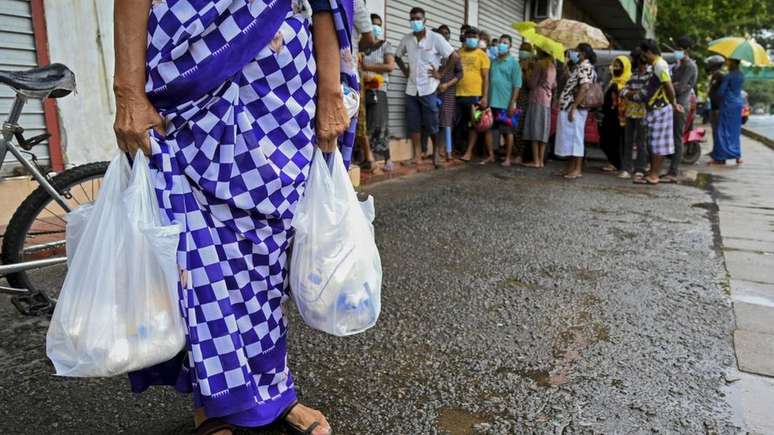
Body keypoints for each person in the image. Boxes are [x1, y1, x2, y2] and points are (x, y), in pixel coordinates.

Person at [113, 1, 355, 434]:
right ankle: (215, 404)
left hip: (283, 83)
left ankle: (274, 390)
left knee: (270, 248)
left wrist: (330, 90)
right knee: (195, 244)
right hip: (189, 67)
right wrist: (128, 90)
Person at [396, 7, 457, 165]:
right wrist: (404, 70)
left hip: (428, 88)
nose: (415, 22)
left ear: (424, 21)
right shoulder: (407, 39)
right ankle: (417, 155)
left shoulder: (435, 38)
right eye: (412, 19)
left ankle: (435, 152)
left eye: (418, 19)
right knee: (414, 123)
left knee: (432, 123)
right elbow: (397, 56)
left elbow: (454, 56)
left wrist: (441, 74)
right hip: (411, 89)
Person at [635, 39, 684, 185]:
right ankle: (652, 173)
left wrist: (674, 103)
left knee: (658, 143)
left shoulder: (660, 65)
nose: (643, 57)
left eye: (644, 53)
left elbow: (668, 86)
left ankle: (654, 175)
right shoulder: (657, 64)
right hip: (656, 108)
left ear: (649, 52)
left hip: (661, 109)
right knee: (654, 142)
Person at [554, 43, 597, 179]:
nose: (574, 53)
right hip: (569, 107)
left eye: (576, 51)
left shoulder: (585, 66)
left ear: (583, 53)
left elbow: (584, 88)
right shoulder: (579, 66)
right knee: (569, 139)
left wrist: (573, 107)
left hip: (575, 108)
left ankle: (577, 169)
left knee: (576, 139)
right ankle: (570, 168)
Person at [362, 13, 396, 171]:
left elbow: (390, 66)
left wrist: (367, 67)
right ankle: (368, 159)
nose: (375, 27)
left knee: (379, 124)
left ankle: (387, 159)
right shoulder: (362, 46)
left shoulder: (385, 45)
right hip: (362, 90)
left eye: (378, 24)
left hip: (378, 89)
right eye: (372, 24)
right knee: (365, 124)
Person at [664, 35, 698, 182]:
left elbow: (680, 87)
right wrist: (672, 84)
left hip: (681, 106)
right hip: (673, 104)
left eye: (680, 49)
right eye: (676, 48)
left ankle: (673, 172)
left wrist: (670, 84)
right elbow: (673, 84)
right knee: (670, 137)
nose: (677, 51)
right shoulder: (679, 65)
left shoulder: (690, 66)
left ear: (687, 50)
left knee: (677, 139)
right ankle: (668, 169)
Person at [457, 27, 492, 163]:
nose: (471, 38)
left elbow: (486, 78)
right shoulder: (458, 53)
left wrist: (484, 96)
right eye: (469, 35)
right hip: (458, 94)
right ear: (464, 37)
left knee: (474, 124)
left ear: (478, 39)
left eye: (474, 36)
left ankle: (469, 152)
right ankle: (460, 148)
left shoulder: (482, 55)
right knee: (460, 124)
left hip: (475, 96)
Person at [487, 34, 522, 166]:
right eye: (501, 42)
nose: (502, 44)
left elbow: (517, 85)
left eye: (505, 43)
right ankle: (491, 156)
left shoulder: (514, 63)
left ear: (510, 46)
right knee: (489, 129)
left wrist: (512, 102)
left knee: (507, 132)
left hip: (505, 103)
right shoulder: (494, 62)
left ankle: (508, 158)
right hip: (492, 101)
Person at [352, 0, 378, 171]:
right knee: (355, 114)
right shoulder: (356, 3)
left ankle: (368, 157)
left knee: (356, 115)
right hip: (348, 66)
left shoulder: (355, 3)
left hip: (345, 66)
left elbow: (370, 39)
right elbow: (370, 39)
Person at [521, 47, 556, 168]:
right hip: (547, 99)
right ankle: (541, 160)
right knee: (543, 130)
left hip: (537, 98)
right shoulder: (552, 66)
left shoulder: (540, 64)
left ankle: (536, 161)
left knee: (535, 129)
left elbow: (532, 84)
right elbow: (554, 85)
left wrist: (526, 71)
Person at [621, 48, 652, 180]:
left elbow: (644, 95)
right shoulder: (633, 73)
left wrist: (630, 94)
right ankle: (627, 168)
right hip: (631, 112)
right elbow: (623, 91)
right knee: (628, 141)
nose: (631, 60)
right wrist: (632, 94)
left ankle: (640, 169)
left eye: (632, 58)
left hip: (644, 113)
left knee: (641, 141)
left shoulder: (650, 74)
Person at [433, 25, 464, 160]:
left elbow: (460, 74)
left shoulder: (454, 54)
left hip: (448, 91)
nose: (445, 35)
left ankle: (448, 151)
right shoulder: (433, 51)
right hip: (432, 90)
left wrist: (447, 84)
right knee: (434, 120)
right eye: (442, 33)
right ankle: (435, 150)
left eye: (447, 33)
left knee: (446, 121)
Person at [709, 58, 745, 165]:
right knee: (735, 130)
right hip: (738, 103)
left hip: (728, 104)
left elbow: (720, 92)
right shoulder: (741, 75)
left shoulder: (728, 76)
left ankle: (719, 157)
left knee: (722, 130)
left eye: (729, 62)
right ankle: (737, 156)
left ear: (733, 63)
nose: (727, 63)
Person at [599, 55, 631, 174]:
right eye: (615, 65)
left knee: (617, 141)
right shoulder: (612, 80)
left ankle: (616, 163)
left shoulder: (627, 81)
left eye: (619, 66)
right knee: (605, 140)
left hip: (619, 117)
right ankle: (613, 161)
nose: (616, 68)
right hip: (608, 115)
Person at [706, 55, 726, 157]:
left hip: (718, 108)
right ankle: (715, 151)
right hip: (713, 107)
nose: (709, 66)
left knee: (718, 131)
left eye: (711, 64)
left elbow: (721, 92)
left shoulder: (721, 76)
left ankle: (719, 154)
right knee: (714, 130)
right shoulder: (714, 75)